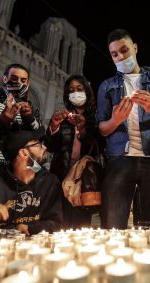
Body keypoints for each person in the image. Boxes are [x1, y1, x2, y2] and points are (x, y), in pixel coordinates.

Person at [96, 28, 150, 229]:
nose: (120, 57)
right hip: (120, 158)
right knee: (113, 224)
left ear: (135, 48)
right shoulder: (106, 86)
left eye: (124, 50)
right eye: (114, 54)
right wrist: (116, 120)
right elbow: (102, 129)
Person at [45, 74, 103, 228]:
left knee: (80, 224)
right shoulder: (63, 116)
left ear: (87, 92)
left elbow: (99, 146)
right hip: (61, 176)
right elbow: (50, 146)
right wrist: (54, 126)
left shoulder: (96, 118)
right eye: (71, 90)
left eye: (79, 89)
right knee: (58, 223)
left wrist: (83, 129)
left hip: (83, 180)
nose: (75, 93)